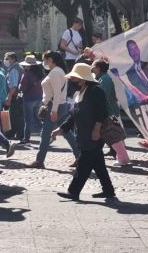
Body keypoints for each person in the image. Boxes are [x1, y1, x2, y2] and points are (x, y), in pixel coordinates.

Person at [54, 63, 115, 201]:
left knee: (83, 165)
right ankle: (109, 190)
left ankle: (73, 191)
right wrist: (61, 128)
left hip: (93, 135)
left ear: (82, 79)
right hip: (83, 135)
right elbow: (73, 116)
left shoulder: (95, 91)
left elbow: (102, 113)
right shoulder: (80, 92)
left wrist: (96, 130)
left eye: (74, 78)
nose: (72, 81)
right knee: (98, 164)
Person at [26, 51, 79, 169]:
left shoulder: (55, 72)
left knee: (45, 134)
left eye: (45, 59)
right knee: (66, 132)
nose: (44, 62)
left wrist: (53, 110)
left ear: (51, 59)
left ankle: (39, 160)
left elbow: (56, 93)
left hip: (55, 106)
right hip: (60, 105)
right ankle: (79, 156)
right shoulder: (59, 71)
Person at [91, 59, 130, 166]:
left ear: (98, 68)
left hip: (109, 112)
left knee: (113, 136)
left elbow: (102, 96)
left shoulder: (104, 79)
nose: (92, 68)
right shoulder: (102, 78)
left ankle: (123, 158)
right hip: (107, 111)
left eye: (93, 66)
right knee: (107, 136)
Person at [19, 55, 44, 144]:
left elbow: (23, 88)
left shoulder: (26, 74)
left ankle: (26, 138)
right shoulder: (40, 74)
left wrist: (20, 88)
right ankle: (45, 134)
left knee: (28, 120)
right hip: (39, 97)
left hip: (29, 98)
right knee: (37, 118)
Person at [3, 52, 24, 140]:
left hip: (14, 95)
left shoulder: (14, 69)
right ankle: (14, 133)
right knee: (15, 115)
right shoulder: (17, 67)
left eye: (7, 59)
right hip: (17, 95)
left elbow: (14, 85)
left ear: (13, 59)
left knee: (16, 116)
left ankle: (19, 135)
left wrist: (9, 96)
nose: (6, 61)